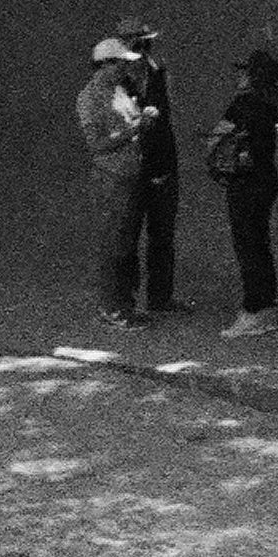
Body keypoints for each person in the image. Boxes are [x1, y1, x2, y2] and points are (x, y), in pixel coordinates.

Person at [210, 51, 278, 337]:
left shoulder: (243, 104)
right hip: (266, 178)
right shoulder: (272, 103)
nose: (239, 75)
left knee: (247, 246)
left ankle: (253, 311)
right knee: (260, 244)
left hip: (244, 182)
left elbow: (217, 136)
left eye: (244, 71)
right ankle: (266, 309)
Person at [76, 35, 157, 327]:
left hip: (130, 177)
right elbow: (97, 143)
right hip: (111, 181)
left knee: (127, 245)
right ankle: (111, 308)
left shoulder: (119, 90)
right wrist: (136, 127)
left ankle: (126, 304)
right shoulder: (90, 97)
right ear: (104, 65)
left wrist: (141, 120)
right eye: (120, 64)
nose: (125, 69)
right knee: (112, 244)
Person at [118, 19, 189, 313]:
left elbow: (167, 114)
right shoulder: (116, 80)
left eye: (145, 42)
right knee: (128, 234)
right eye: (136, 42)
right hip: (132, 164)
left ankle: (160, 296)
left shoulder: (158, 72)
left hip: (161, 159)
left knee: (162, 234)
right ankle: (127, 299)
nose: (142, 47)